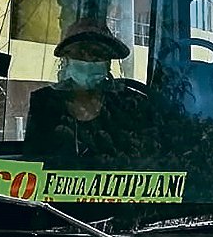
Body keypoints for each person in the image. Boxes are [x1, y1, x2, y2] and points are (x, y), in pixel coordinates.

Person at [22, 18, 140, 168]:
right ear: (66, 59)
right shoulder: (44, 102)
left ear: (108, 62)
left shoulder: (129, 104)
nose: (88, 62)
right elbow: (33, 163)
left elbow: (138, 165)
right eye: (80, 54)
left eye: (97, 55)